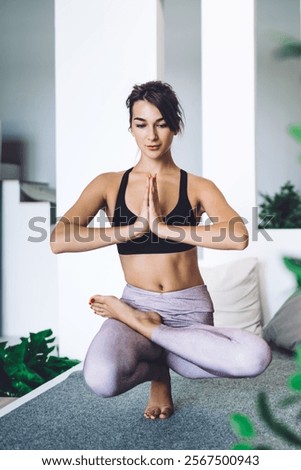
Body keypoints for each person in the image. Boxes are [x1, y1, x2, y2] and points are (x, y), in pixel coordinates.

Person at [50, 80, 272, 420]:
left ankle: (153, 337)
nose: (151, 135)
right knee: (101, 380)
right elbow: (59, 239)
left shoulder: (196, 186)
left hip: (188, 310)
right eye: (141, 124)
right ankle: (154, 359)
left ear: (175, 127)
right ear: (131, 127)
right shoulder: (108, 184)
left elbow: (237, 236)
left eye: (161, 124)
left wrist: (166, 229)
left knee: (254, 357)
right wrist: (133, 229)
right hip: (138, 301)